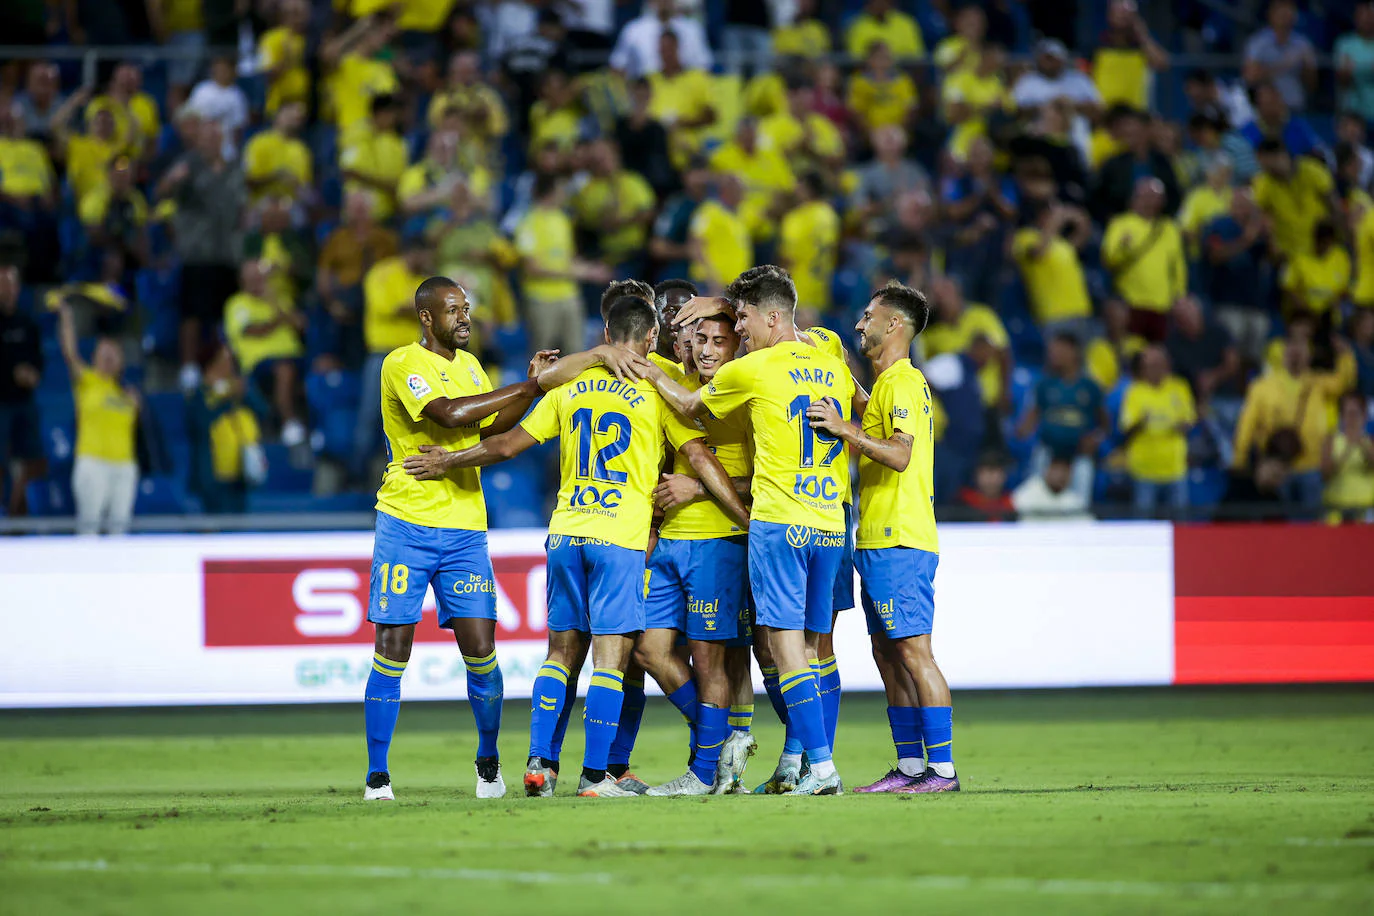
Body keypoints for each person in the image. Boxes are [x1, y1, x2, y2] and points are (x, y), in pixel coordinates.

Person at [407, 296, 745, 798]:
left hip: (566, 533)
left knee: (560, 653)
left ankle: (540, 765)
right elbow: (697, 455)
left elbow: (505, 445)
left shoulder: (572, 386)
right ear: (652, 339)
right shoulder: (655, 393)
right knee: (611, 659)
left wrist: (449, 461)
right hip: (620, 540)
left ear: (606, 330)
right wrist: (744, 511)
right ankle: (596, 776)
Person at [353, 276, 569, 802]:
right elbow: (448, 414)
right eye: (453, 309)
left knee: (481, 647)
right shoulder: (402, 363)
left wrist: (530, 388)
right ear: (426, 317)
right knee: (392, 646)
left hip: (466, 528)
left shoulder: (472, 367)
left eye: (467, 308)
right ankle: (378, 774)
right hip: (406, 522)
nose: (465, 317)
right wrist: (531, 386)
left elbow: (494, 425)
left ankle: (488, 761)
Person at [647, 267, 855, 796]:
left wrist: (650, 374)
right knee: (813, 651)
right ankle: (801, 764)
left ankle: (821, 767)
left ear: (769, 316)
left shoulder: (756, 367)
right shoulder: (830, 360)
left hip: (778, 522)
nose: (739, 332)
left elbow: (692, 405)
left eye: (741, 319)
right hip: (830, 522)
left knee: (784, 651)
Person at [805, 282, 957, 793]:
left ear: (894, 325)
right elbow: (871, 411)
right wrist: (841, 377)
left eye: (868, 316)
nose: (859, 323)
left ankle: (942, 770)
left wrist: (842, 428)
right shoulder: (888, 386)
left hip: (901, 538)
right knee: (888, 655)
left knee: (915, 653)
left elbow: (898, 453)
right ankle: (911, 768)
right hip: (874, 538)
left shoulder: (906, 382)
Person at [638, 307, 755, 796]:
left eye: (718, 341)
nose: (706, 349)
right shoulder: (672, 383)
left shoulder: (748, 397)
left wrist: (699, 490)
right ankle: (725, 738)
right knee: (649, 649)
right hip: (670, 540)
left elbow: (764, 480)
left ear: (737, 348)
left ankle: (704, 773)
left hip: (718, 541)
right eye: (698, 338)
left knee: (711, 662)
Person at [58, 299, 138, 535]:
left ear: (121, 361)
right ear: (94, 357)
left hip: (124, 466)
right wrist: (67, 319)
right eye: (104, 352)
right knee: (89, 526)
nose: (109, 356)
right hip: (92, 463)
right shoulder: (87, 381)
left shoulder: (128, 394)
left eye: (114, 353)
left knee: (120, 529)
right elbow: (69, 353)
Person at [515, 174, 612, 358]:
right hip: (541, 299)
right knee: (541, 355)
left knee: (575, 353)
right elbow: (531, 268)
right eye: (561, 190)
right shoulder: (528, 223)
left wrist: (590, 269)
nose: (564, 194)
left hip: (569, 297)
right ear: (550, 192)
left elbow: (568, 260)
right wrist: (580, 273)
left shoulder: (562, 220)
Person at [1101, 178, 1187, 343]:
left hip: (1162, 305)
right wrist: (1124, 249)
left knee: (1158, 353)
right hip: (1132, 302)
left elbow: (1178, 266)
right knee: (1131, 350)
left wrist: (1179, 295)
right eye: (1146, 196)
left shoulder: (1169, 228)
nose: (1150, 201)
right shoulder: (1120, 223)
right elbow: (1109, 259)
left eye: (1155, 197)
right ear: (1135, 198)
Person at [187, 344, 265, 515]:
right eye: (222, 360)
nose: (227, 366)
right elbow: (200, 423)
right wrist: (223, 398)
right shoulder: (198, 394)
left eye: (230, 361)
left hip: (239, 475)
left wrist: (244, 394)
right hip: (213, 476)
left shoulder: (239, 390)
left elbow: (264, 412)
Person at [1121, 345, 1196, 517]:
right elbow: (1126, 428)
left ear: (1166, 366)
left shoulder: (1179, 388)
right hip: (1144, 470)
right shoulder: (1135, 391)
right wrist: (1141, 422)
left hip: (1175, 468)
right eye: (1148, 366)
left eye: (1157, 365)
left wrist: (1180, 425)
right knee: (1143, 527)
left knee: (1180, 525)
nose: (1153, 370)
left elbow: (1190, 421)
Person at [0, 265, 44, 516]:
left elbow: (38, 358)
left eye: (10, 283)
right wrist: (11, 375)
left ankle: (19, 512)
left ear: (18, 288)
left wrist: (33, 374)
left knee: (34, 460)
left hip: (25, 400)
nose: (7, 289)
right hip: (1, 402)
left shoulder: (28, 322)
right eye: (2, 283)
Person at [1243, 0, 1317, 113]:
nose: (1285, 15)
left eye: (1289, 11)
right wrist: (1285, 64)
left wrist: (1307, 68)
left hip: (1295, 107)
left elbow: (1312, 85)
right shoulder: (1258, 43)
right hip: (1266, 111)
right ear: (1271, 14)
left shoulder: (1303, 44)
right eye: (1281, 11)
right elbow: (1250, 77)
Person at [1321, 392, 1374, 521]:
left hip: (1365, 507)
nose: (1352, 419)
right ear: (1342, 417)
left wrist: (1362, 445)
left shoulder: (1371, 441)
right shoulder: (1331, 440)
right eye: (1348, 414)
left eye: (1356, 414)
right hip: (1337, 507)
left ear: (1365, 416)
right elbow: (1325, 475)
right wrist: (1347, 450)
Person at [1012, 456, 1092, 521]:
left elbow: (1086, 524)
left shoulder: (1072, 499)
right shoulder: (1031, 489)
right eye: (1057, 470)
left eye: (1066, 471)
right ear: (1047, 470)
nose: (1061, 475)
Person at [1337, 2, 1374, 124]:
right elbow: (1342, 79)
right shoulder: (1345, 44)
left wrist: (1357, 69)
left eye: (1370, 15)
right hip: (1353, 113)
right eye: (1363, 15)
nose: (1367, 20)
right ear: (1356, 18)